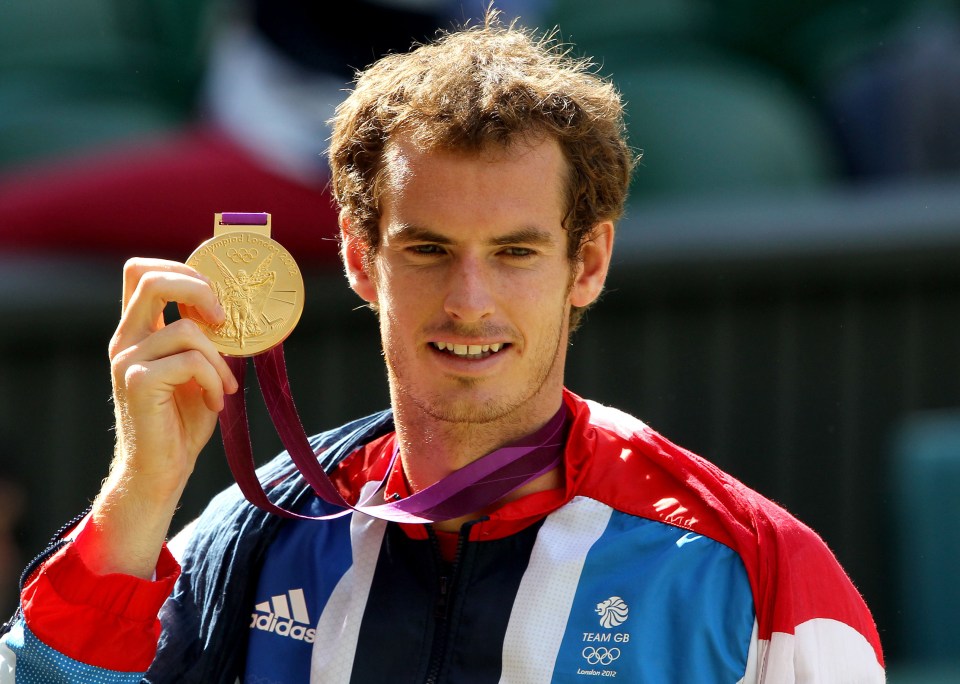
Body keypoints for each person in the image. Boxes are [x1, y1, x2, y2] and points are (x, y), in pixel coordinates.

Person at [0, 11, 884, 683]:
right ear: (358, 260)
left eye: (515, 253)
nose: (470, 301)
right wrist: (142, 489)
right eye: (426, 250)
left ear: (589, 263)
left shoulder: (755, 572)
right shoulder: (254, 539)